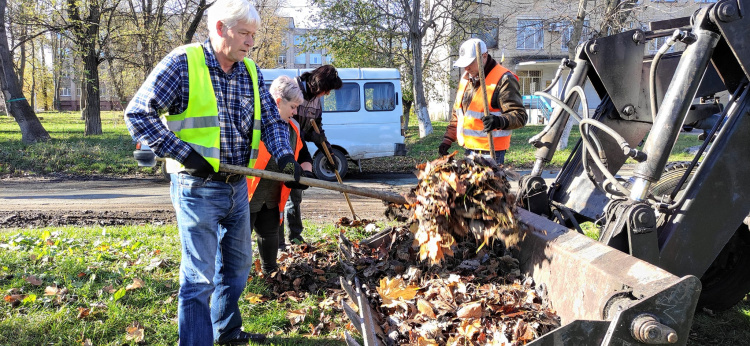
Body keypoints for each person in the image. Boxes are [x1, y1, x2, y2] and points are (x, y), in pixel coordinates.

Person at [123, 0, 304, 344]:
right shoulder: (182, 63)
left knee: (236, 269)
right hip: (196, 188)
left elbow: (270, 120)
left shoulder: (249, 70)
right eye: (245, 34)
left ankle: (227, 330)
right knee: (199, 278)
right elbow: (138, 114)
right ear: (220, 28)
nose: (251, 42)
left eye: (254, 35)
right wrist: (185, 154)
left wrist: (284, 157)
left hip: (237, 187)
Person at [248, 75, 315, 274]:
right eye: (293, 107)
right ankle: (236, 277)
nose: (295, 113)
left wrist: (305, 174)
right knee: (240, 237)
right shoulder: (253, 124)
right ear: (278, 102)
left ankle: (270, 272)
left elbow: (304, 155)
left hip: (273, 194)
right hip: (247, 193)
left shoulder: (293, 127)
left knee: (269, 233)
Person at [281, 65, 343, 249]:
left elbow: (317, 129)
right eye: (328, 89)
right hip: (282, 147)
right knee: (278, 197)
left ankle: (295, 236)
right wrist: (309, 136)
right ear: (319, 84)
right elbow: (285, 123)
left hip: (299, 149)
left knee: (296, 195)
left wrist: (328, 154)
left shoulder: (316, 101)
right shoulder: (293, 89)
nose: (328, 93)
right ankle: (277, 243)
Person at [438, 38, 528, 164]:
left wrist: (498, 121)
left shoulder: (504, 79)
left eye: (470, 62)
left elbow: (520, 116)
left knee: (490, 184)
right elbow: (458, 113)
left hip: (491, 152)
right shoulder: (466, 78)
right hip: (469, 149)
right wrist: (448, 139)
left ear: (484, 56)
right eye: (464, 64)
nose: (466, 68)